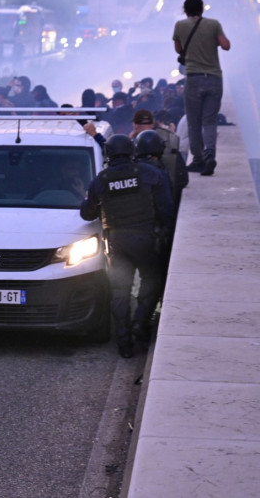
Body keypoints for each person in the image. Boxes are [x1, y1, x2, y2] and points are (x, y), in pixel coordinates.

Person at [80, 135, 175, 358]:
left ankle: (124, 343)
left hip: (117, 243)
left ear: (108, 154)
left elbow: (87, 214)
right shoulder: (149, 173)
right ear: (132, 151)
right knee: (151, 279)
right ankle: (140, 321)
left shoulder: (101, 180)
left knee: (120, 290)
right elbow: (167, 210)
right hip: (146, 240)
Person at [173, 0, 230, 176]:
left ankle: (198, 160)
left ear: (185, 10)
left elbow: (178, 49)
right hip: (214, 78)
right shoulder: (213, 24)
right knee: (209, 121)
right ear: (202, 9)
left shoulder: (180, 26)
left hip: (193, 79)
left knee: (194, 122)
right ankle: (210, 155)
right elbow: (226, 45)